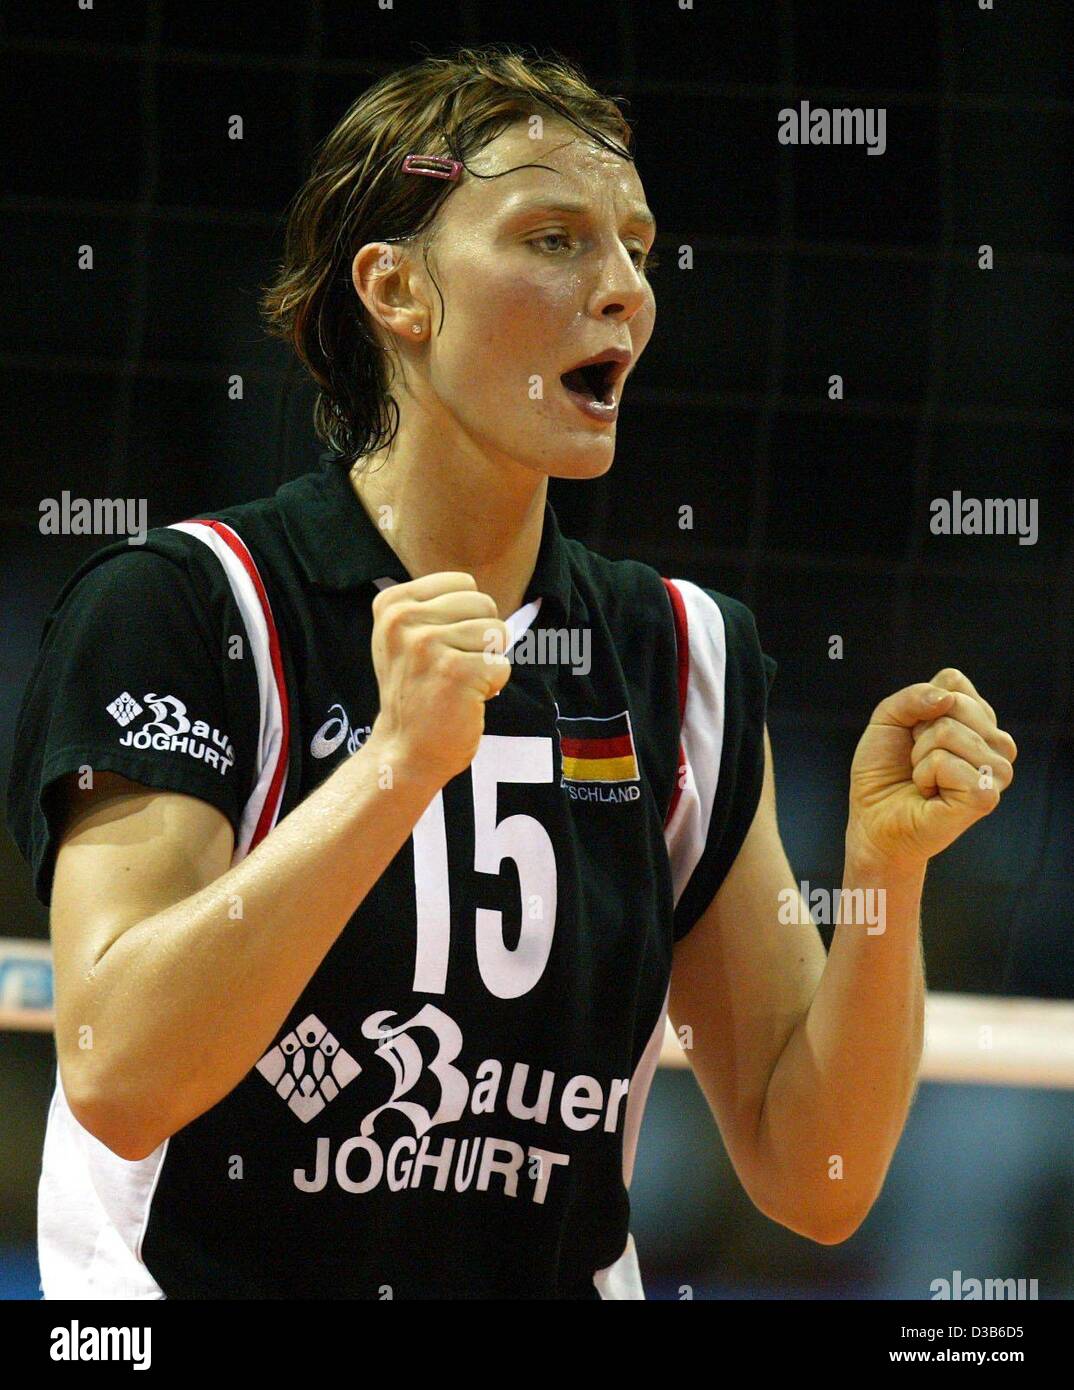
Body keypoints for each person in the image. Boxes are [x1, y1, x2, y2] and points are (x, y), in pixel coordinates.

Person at [6, 45, 1017, 1300]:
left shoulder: (681, 652)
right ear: (396, 290)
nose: (625, 291)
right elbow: (115, 1072)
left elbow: (815, 1173)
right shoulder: (189, 606)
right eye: (552, 239)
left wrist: (886, 868)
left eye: (637, 247)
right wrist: (394, 768)